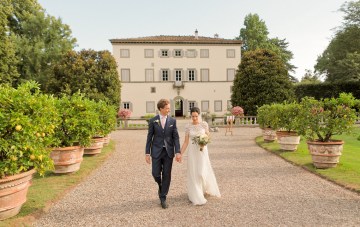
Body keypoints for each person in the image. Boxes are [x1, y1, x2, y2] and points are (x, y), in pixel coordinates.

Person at [180, 107, 221, 205]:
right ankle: (196, 193)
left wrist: (204, 141)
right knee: (194, 172)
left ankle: (205, 188)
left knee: (201, 172)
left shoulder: (204, 125)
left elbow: (208, 136)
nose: (194, 118)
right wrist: (180, 154)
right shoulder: (188, 127)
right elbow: (186, 142)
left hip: (202, 151)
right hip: (192, 152)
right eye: (193, 116)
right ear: (191, 116)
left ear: (199, 115)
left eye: (196, 116)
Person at [145, 99, 181, 209]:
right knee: (155, 173)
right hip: (156, 151)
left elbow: (176, 137)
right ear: (161, 109)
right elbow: (149, 137)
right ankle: (160, 185)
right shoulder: (153, 121)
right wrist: (147, 153)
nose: (169, 110)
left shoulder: (172, 121)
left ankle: (163, 197)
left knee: (167, 174)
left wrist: (178, 151)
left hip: (168, 152)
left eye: (169, 108)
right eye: (167, 108)